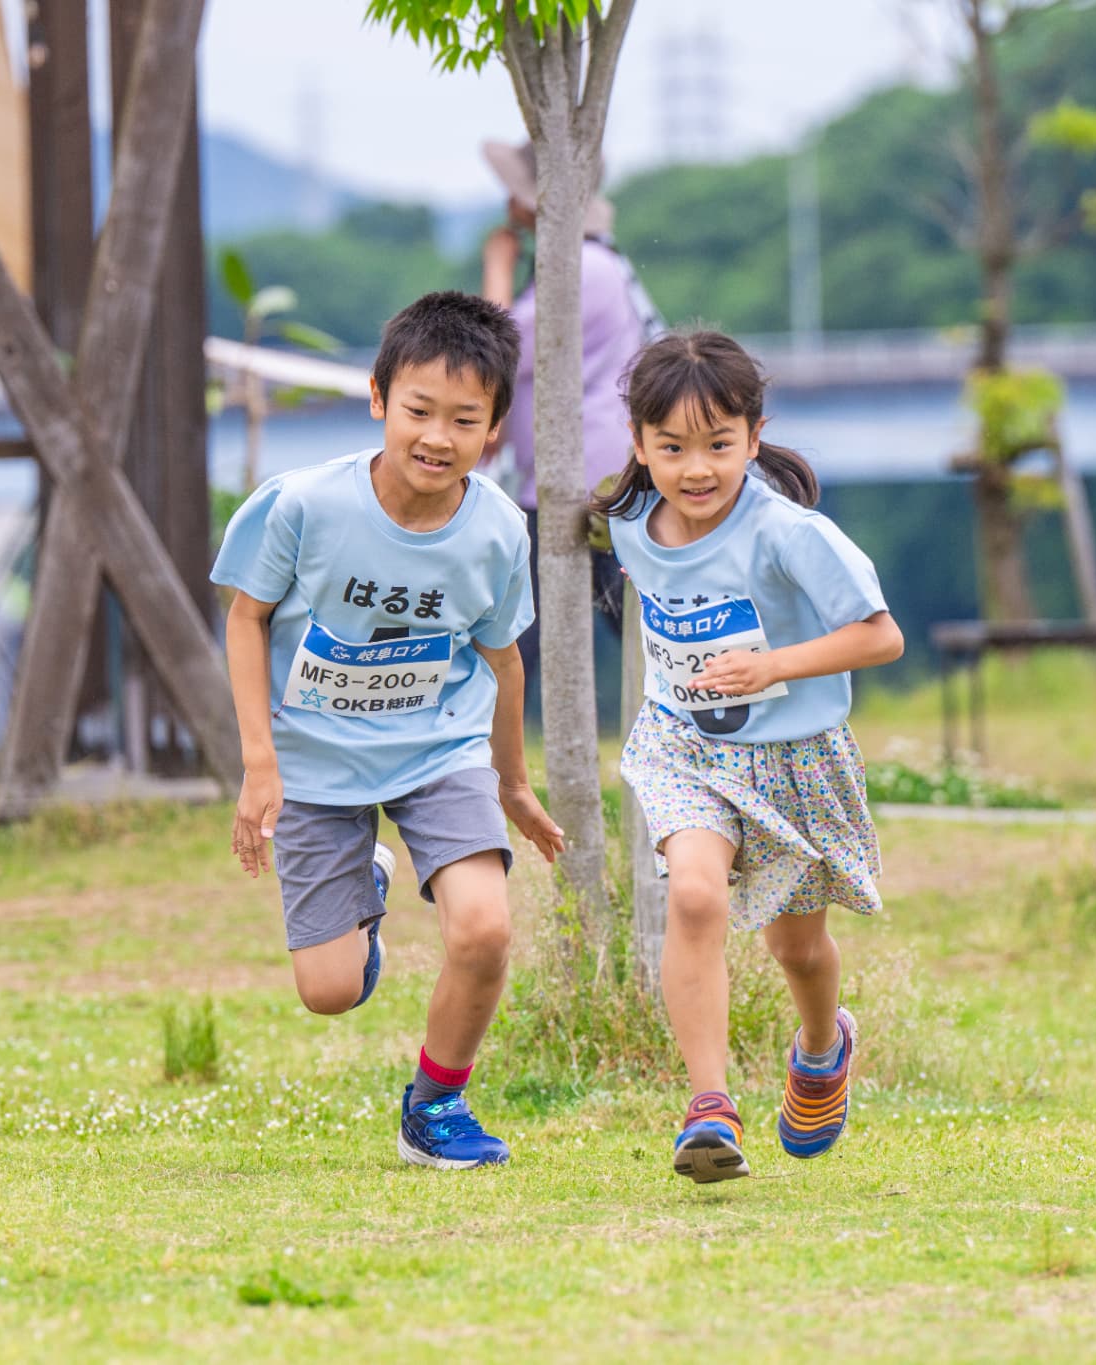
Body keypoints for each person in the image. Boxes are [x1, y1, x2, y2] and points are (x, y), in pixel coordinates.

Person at [213, 291, 566, 1170]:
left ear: (495, 429)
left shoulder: (493, 529)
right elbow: (245, 619)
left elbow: (505, 660)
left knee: (483, 929)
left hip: (438, 750)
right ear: (378, 398)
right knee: (329, 992)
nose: (437, 437)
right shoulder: (300, 506)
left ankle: (436, 1105)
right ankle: (365, 883)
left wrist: (514, 784)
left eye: (464, 419)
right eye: (418, 410)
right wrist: (260, 763)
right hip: (315, 763)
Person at [595, 330, 903, 1184]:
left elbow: (883, 636)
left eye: (719, 445)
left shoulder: (790, 532)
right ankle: (709, 1107)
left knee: (797, 949)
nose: (697, 468)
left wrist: (774, 665)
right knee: (693, 893)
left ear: (754, 437)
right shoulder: (625, 521)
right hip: (683, 745)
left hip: (794, 757)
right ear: (639, 443)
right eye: (673, 448)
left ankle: (820, 1046)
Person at [479, 140, 664, 715]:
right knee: (611, 618)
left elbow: (494, 349)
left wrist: (496, 267)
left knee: (536, 625)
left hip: (584, 484)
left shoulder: (584, 270)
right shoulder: (596, 263)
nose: (509, 204)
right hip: (587, 479)